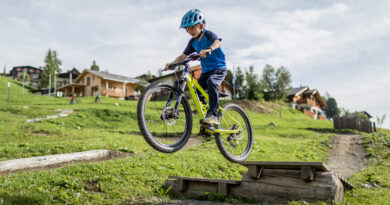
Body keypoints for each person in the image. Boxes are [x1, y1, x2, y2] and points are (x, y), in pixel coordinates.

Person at [165, 9, 227, 126]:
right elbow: (183, 56)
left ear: (201, 25)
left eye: (193, 27)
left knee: (212, 82)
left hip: (218, 68)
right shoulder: (193, 42)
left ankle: (213, 114)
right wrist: (172, 63)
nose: (190, 31)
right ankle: (207, 119)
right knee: (198, 92)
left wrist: (209, 49)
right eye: (188, 29)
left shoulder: (208, 34)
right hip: (206, 70)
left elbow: (218, 42)